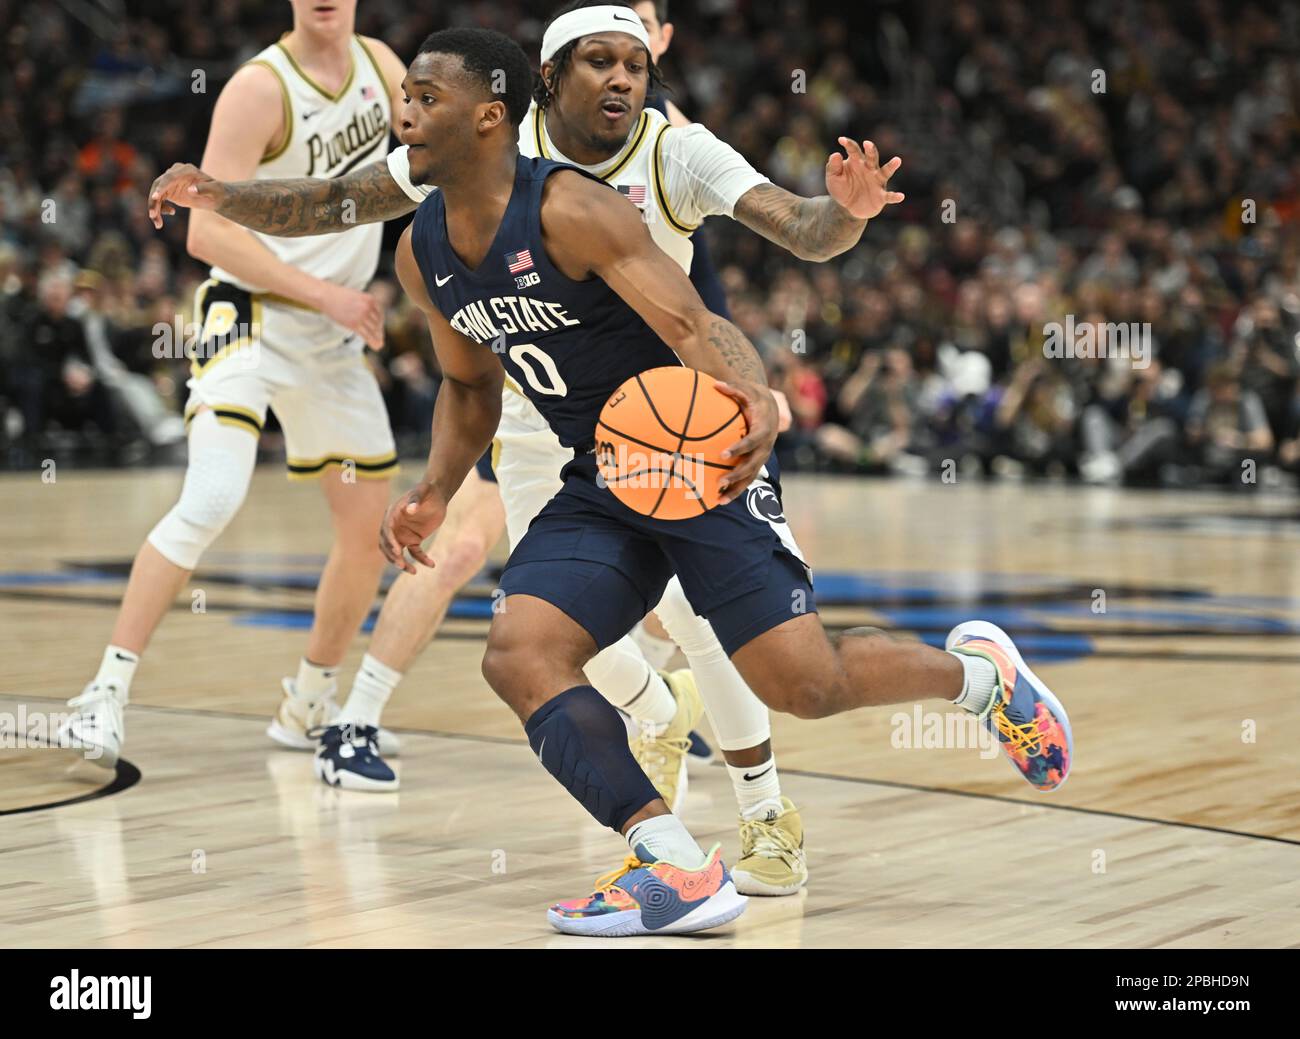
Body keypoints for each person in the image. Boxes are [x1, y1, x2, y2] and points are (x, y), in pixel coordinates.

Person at [146, 0, 893, 898]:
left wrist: (845, 217)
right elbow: (342, 199)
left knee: (708, 627)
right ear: (548, 76)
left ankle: (765, 811)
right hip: (543, 427)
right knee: (542, 632)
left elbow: (803, 230)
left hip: (667, 411)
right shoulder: (481, 134)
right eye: (598, 60)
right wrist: (225, 195)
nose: (621, 76)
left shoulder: (677, 150)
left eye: (636, 58)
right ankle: (658, 716)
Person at [374, 26, 1070, 937]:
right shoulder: (420, 248)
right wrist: (433, 487)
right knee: (519, 651)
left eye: (427, 98)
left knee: (805, 685)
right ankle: (674, 866)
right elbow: (470, 385)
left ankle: (979, 679)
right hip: (602, 473)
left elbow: (697, 324)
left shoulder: (575, 209)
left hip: (701, 457)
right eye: (408, 97)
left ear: (490, 116)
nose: (406, 111)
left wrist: (757, 400)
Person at [58, 0, 410, 767]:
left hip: (331, 334)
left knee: (365, 529)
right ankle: (103, 694)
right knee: (213, 495)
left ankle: (308, 703)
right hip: (247, 315)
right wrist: (328, 295)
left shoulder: (383, 67)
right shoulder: (259, 88)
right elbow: (206, 228)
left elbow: (427, 170)